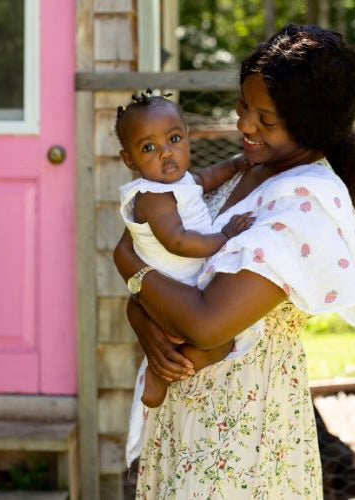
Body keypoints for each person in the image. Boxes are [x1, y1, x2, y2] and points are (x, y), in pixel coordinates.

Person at [114, 24, 355, 498]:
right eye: (243, 106)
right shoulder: (248, 171)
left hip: (243, 437)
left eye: (265, 119)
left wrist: (129, 266)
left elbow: (206, 323)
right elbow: (168, 264)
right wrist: (142, 319)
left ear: (310, 124)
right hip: (188, 415)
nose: (245, 126)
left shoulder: (306, 202)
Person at [115, 90, 255, 408]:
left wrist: (236, 164)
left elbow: (206, 178)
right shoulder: (152, 197)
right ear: (129, 160)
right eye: (149, 148)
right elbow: (176, 241)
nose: (166, 153)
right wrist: (224, 237)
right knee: (218, 343)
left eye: (174, 139)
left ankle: (168, 366)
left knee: (220, 341)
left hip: (180, 290)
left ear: (188, 137)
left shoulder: (180, 182)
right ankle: (160, 375)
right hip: (171, 294)